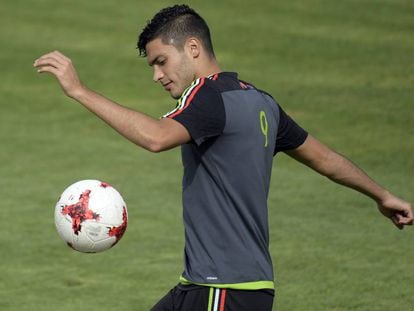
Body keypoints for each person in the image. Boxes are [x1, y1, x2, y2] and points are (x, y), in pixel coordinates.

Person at [33, 4, 412, 311]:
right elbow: (325, 159)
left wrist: (79, 91)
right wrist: (382, 195)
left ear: (193, 48)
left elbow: (155, 137)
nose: (156, 75)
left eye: (161, 61)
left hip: (224, 289)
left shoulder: (206, 97)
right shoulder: (261, 102)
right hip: (212, 286)